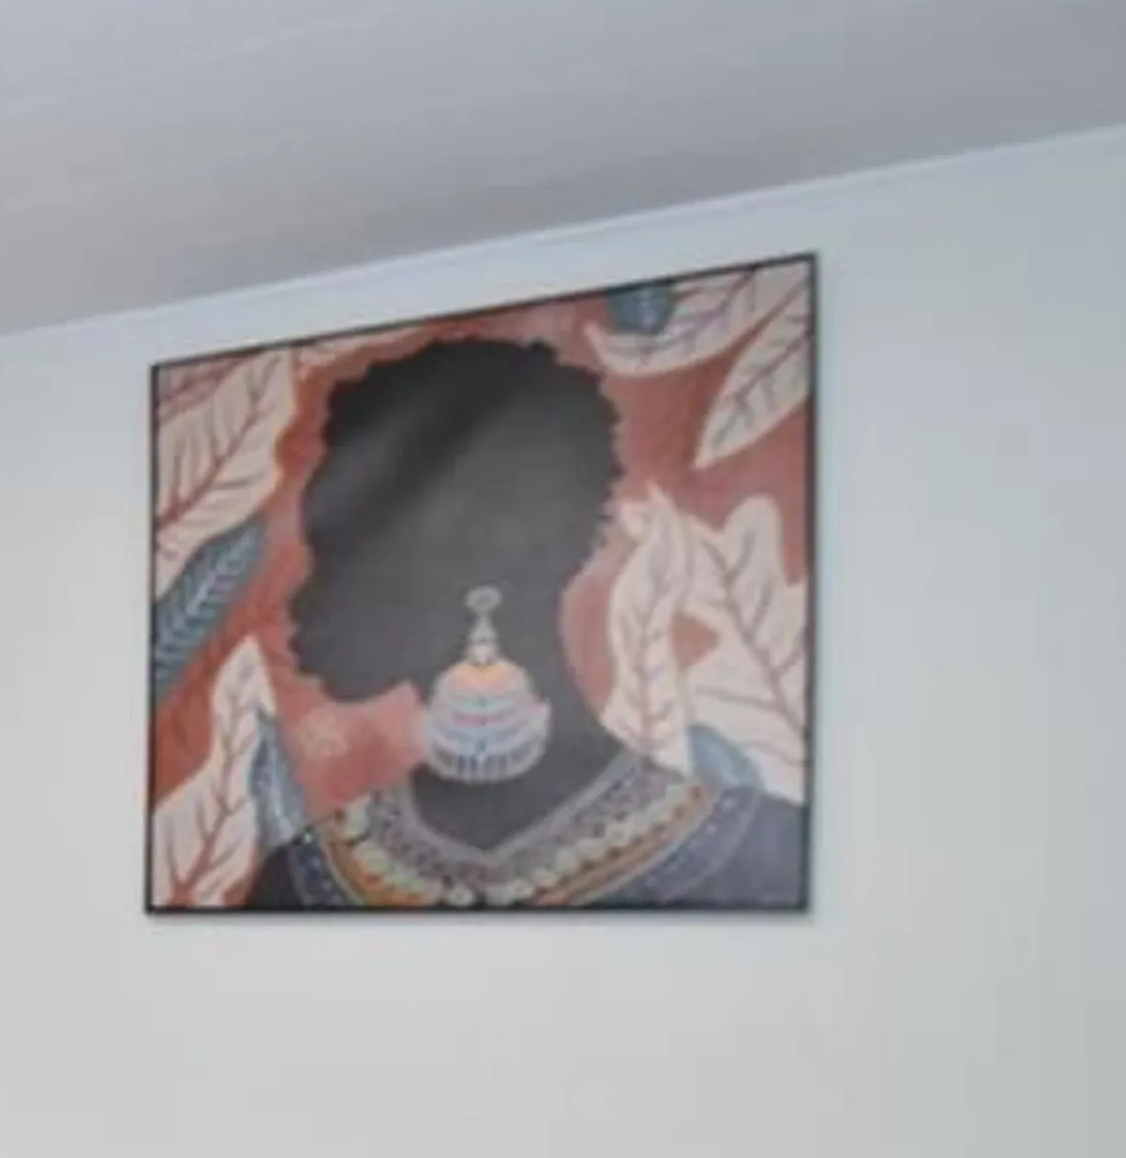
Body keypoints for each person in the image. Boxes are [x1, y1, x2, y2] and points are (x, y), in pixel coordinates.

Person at [240, 337, 804, 910]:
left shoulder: (762, 858)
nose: (300, 604)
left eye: (339, 557)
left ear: (478, 569)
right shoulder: (303, 877)